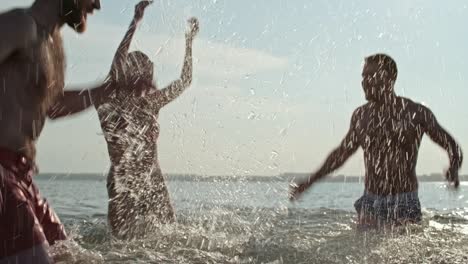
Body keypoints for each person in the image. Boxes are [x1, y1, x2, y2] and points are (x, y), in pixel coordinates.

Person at [0, 0, 150, 262]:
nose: (97, 5)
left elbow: (53, 106)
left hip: (23, 176)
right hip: (2, 174)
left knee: (71, 257)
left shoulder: (53, 45)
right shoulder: (20, 25)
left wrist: (108, 90)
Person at [289, 53, 463, 230]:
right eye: (363, 76)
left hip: (404, 201)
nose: (365, 81)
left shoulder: (415, 113)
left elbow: (451, 145)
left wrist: (454, 168)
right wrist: (311, 181)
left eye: (372, 75)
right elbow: (341, 153)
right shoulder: (361, 116)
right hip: (370, 201)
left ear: (391, 78)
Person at [93, 1, 199, 238]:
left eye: (148, 71)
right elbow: (116, 67)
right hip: (123, 182)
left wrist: (189, 42)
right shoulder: (112, 102)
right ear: (130, 74)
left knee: (171, 237)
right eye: (143, 71)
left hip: (153, 179)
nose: (149, 78)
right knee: (119, 247)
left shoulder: (151, 103)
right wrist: (135, 22)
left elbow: (184, 81)